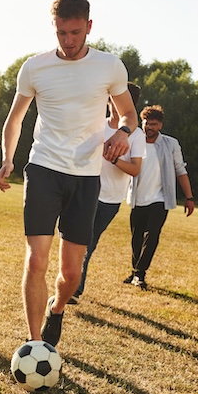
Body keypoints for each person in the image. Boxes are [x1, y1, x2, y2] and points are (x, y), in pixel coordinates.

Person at [0, 0, 138, 347]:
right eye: (62, 33)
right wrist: (8, 159)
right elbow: (16, 118)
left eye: (76, 32)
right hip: (43, 168)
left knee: (72, 273)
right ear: (54, 28)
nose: (69, 41)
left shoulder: (110, 66)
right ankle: (33, 342)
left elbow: (129, 115)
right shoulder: (35, 67)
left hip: (86, 176)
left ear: (89, 27)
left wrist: (123, 133)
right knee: (37, 259)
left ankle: (57, 307)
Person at [69, 82, 146, 304]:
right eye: (112, 98)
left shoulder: (136, 136)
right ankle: (72, 287)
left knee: (88, 241)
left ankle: (73, 288)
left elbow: (135, 169)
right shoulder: (96, 125)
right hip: (84, 191)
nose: (113, 104)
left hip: (110, 199)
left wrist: (113, 158)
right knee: (79, 239)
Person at [124, 104, 195, 289]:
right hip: (137, 198)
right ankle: (134, 271)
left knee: (153, 235)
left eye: (154, 124)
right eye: (147, 123)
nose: (149, 128)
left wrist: (189, 197)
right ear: (142, 123)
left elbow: (180, 170)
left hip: (160, 199)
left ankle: (140, 273)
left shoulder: (170, 144)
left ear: (160, 125)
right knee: (136, 237)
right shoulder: (133, 141)